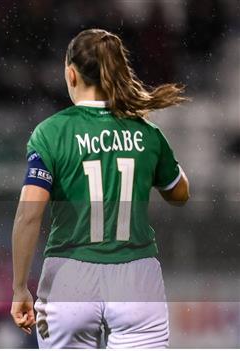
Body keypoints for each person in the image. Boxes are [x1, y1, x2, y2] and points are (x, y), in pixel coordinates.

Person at [10, 28, 190, 348]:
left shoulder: (52, 132)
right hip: (137, 278)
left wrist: (20, 288)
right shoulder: (147, 132)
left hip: (69, 275)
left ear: (71, 73)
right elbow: (180, 193)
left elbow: (28, 216)